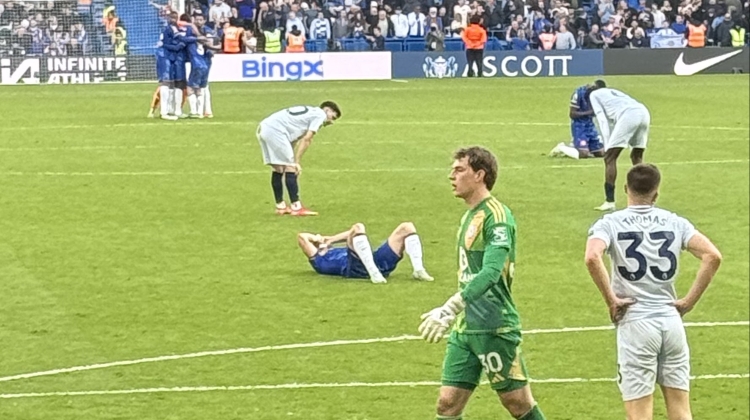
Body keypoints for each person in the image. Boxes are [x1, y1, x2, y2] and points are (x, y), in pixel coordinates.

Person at [584, 163, 722, 420]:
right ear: (656, 194)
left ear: (625, 189)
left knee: (639, 414)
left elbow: (592, 257)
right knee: (681, 412)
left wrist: (611, 300)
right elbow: (712, 256)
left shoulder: (610, 223)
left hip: (636, 323)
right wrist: (688, 302)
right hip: (671, 322)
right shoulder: (675, 222)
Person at [418, 147, 546, 420]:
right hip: (466, 327)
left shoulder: (497, 217)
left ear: (479, 175)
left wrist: (451, 306)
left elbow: (490, 273)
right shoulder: (469, 215)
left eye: (459, 170)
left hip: (494, 326)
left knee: (517, 403)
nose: (451, 175)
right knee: (447, 403)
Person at [256, 102, 342, 216]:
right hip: (276, 131)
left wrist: (291, 158)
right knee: (290, 168)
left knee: (279, 168)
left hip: (265, 127)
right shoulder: (320, 115)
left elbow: (294, 139)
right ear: (327, 110)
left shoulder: (309, 115)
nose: (331, 121)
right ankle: (296, 207)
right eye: (332, 117)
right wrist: (296, 162)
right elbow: (307, 139)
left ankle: (281, 206)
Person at [297, 222, 434, 284]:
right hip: (355, 269)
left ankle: (419, 270)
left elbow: (353, 234)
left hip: (374, 262)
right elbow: (302, 237)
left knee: (407, 227)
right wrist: (317, 239)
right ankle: (373, 274)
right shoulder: (319, 259)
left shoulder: (333, 249)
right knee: (358, 227)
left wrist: (330, 239)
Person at [587, 85, 651, 212]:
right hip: (643, 112)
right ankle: (645, 199)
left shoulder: (594, 95)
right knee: (637, 156)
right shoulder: (612, 93)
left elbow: (602, 120)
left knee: (609, 158)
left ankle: (609, 201)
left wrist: (607, 145)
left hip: (629, 115)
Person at [550, 80, 606, 160]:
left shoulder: (598, 96)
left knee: (601, 153)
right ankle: (561, 148)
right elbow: (572, 114)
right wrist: (589, 112)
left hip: (590, 125)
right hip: (579, 125)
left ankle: (582, 146)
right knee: (583, 154)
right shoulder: (579, 93)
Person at [150, 11, 183, 120]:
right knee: (165, 82)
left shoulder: (174, 28)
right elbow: (165, 44)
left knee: (171, 83)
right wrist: (179, 46)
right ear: (168, 18)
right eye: (172, 17)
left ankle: (169, 110)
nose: (174, 19)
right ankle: (163, 112)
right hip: (164, 56)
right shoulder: (168, 28)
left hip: (169, 56)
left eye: (175, 17)